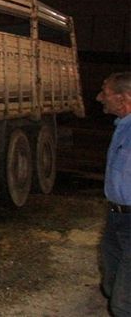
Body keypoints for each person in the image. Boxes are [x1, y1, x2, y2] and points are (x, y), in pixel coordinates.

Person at [96, 72, 131, 316]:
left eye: (105, 93)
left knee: (122, 304)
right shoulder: (122, 127)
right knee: (110, 285)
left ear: (124, 97)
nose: (99, 98)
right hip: (116, 218)